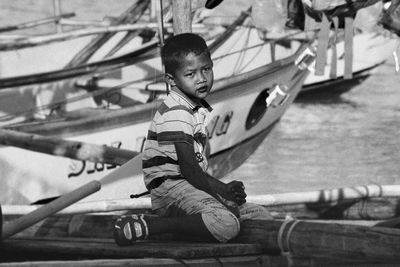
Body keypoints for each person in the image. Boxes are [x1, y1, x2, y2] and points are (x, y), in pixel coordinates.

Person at [113, 33, 272, 245]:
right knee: (226, 223)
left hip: (189, 187)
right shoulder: (177, 111)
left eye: (206, 69)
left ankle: (187, 228)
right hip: (171, 190)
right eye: (191, 74)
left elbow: (194, 173)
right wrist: (222, 195)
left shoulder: (194, 108)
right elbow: (189, 170)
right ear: (172, 80)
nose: (201, 78)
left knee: (259, 215)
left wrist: (224, 191)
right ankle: (151, 226)